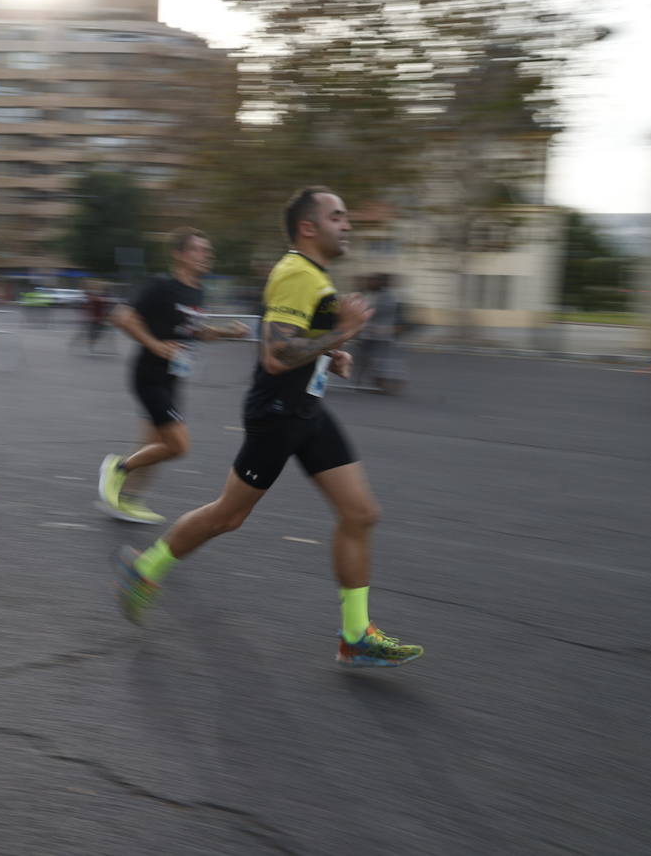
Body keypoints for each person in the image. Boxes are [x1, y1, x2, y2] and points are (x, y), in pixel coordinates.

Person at [114, 188, 423, 668]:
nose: (348, 224)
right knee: (227, 517)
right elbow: (276, 356)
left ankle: (355, 635)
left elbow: (299, 340)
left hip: (308, 410)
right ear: (308, 227)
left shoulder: (313, 274)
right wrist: (343, 334)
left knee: (360, 514)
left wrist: (330, 350)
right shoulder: (297, 272)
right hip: (277, 413)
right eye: (337, 216)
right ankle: (145, 568)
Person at [97, 228, 249, 524]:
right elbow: (121, 317)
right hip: (149, 375)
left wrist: (230, 332)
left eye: (208, 251)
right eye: (199, 250)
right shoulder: (161, 286)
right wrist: (154, 344)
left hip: (172, 377)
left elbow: (196, 332)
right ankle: (118, 468)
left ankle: (126, 500)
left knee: (152, 445)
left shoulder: (196, 291)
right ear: (180, 254)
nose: (207, 255)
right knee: (178, 445)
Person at [354, 273, 408, 395]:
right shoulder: (377, 295)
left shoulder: (386, 297)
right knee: (368, 358)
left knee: (378, 360)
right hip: (373, 334)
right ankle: (364, 381)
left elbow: (373, 312)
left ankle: (382, 382)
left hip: (379, 334)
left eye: (373, 281)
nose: (370, 283)